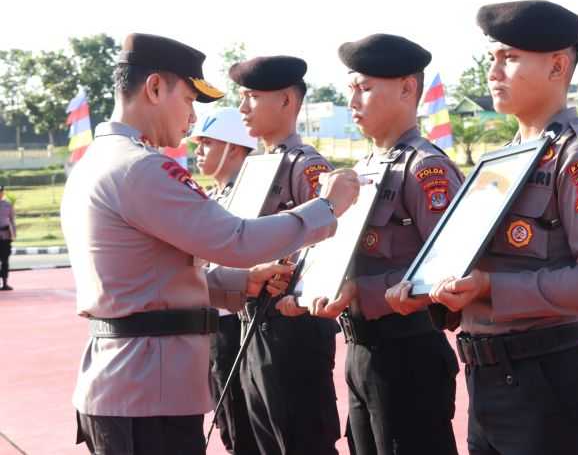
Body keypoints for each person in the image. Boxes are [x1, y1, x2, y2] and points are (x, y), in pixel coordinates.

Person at [60, 33, 359, 455]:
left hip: (129, 383)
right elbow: (234, 238)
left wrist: (240, 282)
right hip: (147, 394)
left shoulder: (98, 161)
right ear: (155, 88)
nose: (192, 118)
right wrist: (326, 207)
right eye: (188, 100)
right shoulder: (140, 168)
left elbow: (152, 275)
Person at [406, 0, 578, 455]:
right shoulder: (500, 159)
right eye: (493, 58)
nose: (494, 71)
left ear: (558, 65)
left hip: (549, 384)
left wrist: (490, 287)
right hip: (487, 382)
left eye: (510, 58)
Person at [281, 33, 463, 455]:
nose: (353, 102)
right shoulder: (364, 169)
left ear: (407, 88)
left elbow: (449, 269)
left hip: (407, 350)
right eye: (351, 90)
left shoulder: (427, 168)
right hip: (363, 350)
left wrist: (359, 291)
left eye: (365, 88)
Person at [231, 55, 341, 455]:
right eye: (241, 97)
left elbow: (328, 239)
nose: (242, 108)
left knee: (301, 440)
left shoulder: (307, 166)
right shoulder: (255, 166)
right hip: (254, 322)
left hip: (293, 328)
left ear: (286, 101)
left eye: (252, 97)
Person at [190, 107, 260, 454]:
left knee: (248, 428)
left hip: (243, 324)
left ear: (234, 147)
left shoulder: (254, 193)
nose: (197, 151)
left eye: (206, 143)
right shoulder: (212, 197)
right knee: (230, 426)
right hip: (215, 323)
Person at [0, 185, 16, 291]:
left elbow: (12, 220)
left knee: (5, 260)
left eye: (1, 191)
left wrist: (13, 234)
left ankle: (5, 283)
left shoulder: (8, 205)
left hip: (6, 236)